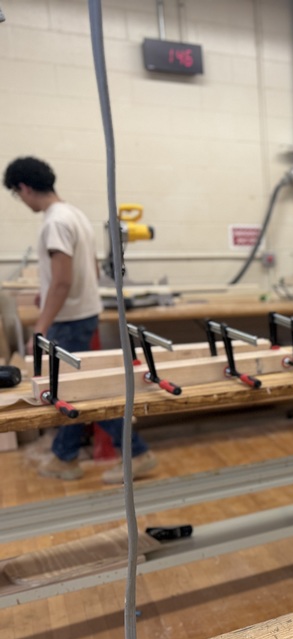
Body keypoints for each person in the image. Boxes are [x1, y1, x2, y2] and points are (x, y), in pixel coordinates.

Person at [4, 156, 157, 484]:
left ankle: (135, 452)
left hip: (69, 319)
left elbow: (62, 280)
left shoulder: (54, 222)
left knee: (78, 393)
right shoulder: (75, 214)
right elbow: (79, 270)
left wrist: (42, 324)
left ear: (25, 188)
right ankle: (67, 457)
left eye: (18, 195)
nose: (22, 201)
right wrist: (45, 294)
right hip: (82, 312)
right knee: (74, 391)